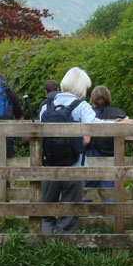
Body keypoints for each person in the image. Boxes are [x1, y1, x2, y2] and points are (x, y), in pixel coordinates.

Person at [39, 67, 122, 234]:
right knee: (69, 214)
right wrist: (119, 124)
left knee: (47, 211)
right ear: (82, 87)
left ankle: (46, 249)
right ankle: (65, 248)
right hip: (74, 165)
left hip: (49, 166)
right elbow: (96, 126)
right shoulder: (82, 106)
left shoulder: (47, 105)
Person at [84, 85, 126, 190]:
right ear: (108, 98)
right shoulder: (118, 113)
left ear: (93, 99)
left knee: (87, 190)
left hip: (92, 154)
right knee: (109, 191)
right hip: (113, 155)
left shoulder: (89, 114)